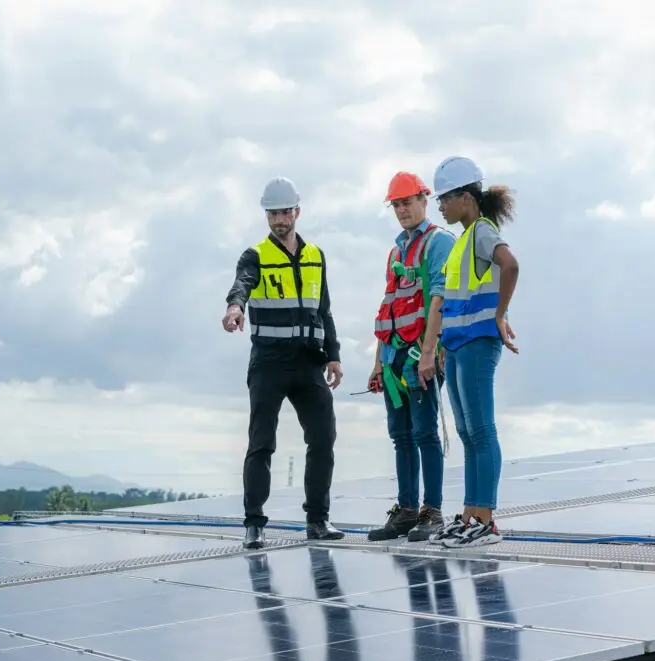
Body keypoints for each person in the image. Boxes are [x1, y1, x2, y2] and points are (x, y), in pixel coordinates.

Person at [222, 176, 346, 548]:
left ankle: (318, 520)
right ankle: (254, 524)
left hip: (309, 363)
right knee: (262, 443)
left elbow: (323, 309)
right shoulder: (255, 255)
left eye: (285, 212)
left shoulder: (315, 256)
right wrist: (234, 308)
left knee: (323, 439)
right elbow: (242, 283)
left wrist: (334, 355)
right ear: (267, 215)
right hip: (269, 363)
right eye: (273, 213)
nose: (279, 219)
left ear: (297, 211)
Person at [425, 156, 520, 548]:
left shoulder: (481, 231)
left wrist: (499, 315)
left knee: (482, 429)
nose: (441, 207)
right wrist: (443, 343)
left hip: (480, 342)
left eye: (445, 199)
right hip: (459, 345)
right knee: (466, 432)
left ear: (466, 197)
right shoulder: (461, 242)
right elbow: (449, 302)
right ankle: (469, 515)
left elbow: (510, 264)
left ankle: (486, 518)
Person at [367, 171, 457, 542]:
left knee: (423, 432)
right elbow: (389, 307)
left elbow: (440, 297)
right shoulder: (396, 250)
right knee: (400, 435)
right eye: (396, 204)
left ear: (424, 199)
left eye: (407, 202)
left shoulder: (439, 242)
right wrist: (378, 362)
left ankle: (432, 511)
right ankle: (405, 510)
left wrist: (429, 354)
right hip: (393, 357)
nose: (402, 209)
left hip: (422, 353)